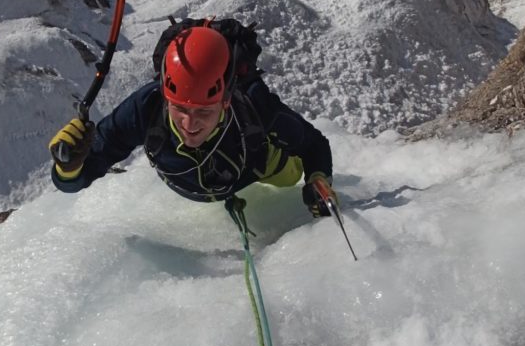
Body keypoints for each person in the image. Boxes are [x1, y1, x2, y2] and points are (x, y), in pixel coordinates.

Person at [49, 21, 337, 216]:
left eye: (204, 111)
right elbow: (76, 179)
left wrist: (317, 178)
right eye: (180, 109)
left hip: (252, 169)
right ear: (165, 97)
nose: (189, 125)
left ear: (226, 100)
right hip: (209, 180)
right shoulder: (146, 107)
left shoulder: (253, 105)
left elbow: (314, 144)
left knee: (290, 175)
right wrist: (68, 167)